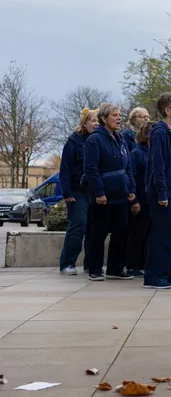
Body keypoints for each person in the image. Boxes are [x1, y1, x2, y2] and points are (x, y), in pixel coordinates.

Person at [83, 103, 136, 281]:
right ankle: (95, 269)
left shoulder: (120, 139)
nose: (119, 118)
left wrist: (131, 188)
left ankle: (115, 268)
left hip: (121, 193)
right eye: (115, 115)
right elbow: (91, 168)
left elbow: (127, 165)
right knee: (99, 232)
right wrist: (99, 192)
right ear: (104, 118)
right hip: (103, 196)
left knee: (122, 230)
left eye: (120, 115)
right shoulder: (94, 140)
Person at [143, 93, 171, 289]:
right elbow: (158, 165)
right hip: (163, 192)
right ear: (167, 110)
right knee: (161, 234)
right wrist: (162, 193)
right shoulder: (159, 132)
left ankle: (169, 273)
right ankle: (154, 276)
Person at [58, 108, 98, 275]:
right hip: (78, 191)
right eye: (93, 121)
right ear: (84, 123)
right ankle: (68, 263)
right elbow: (65, 169)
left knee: (94, 228)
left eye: (98, 121)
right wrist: (67, 192)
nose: (96, 124)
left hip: (95, 191)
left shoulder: (100, 141)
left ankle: (91, 264)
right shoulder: (73, 142)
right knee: (78, 226)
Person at [125, 123, 151, 278]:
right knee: (138, 233)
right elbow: (132, 177)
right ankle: (132, 265)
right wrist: (134, 200)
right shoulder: (136, 153)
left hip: (152, 200)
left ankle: (143, 264)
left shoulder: (156, 153)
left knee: (148, 234)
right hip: (141, 199)